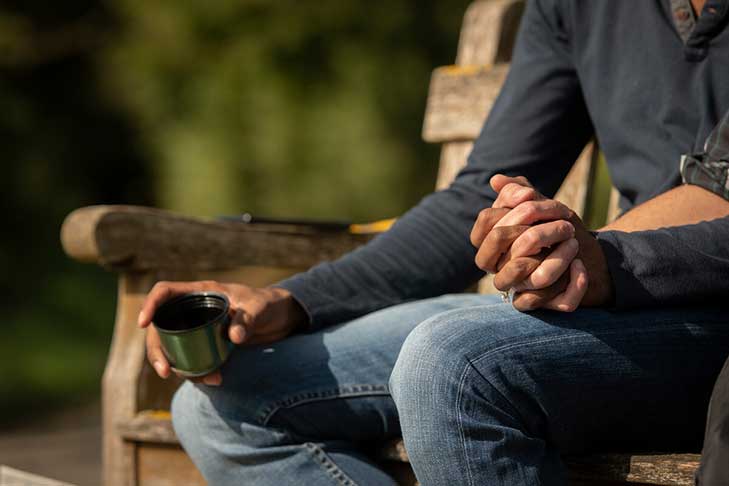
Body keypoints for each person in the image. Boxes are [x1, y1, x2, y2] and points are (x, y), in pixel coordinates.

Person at [137, 0, 729, 484]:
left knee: (452, 363)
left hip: (701, 319)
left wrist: (608, 261)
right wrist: (291, 301)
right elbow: (469, 205)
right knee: (224, 403)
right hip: (594, 294)